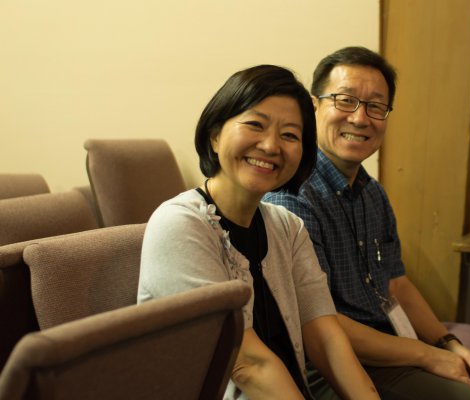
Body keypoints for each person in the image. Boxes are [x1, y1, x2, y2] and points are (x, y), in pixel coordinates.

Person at [264, 47, 470, 400]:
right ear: (314, 107)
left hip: (392, 349)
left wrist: (449, 343)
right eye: (345, 100)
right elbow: (319, 323)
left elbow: (396, 284)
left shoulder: (371, 193)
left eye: (376, 106)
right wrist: (428, 355)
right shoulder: (291, 198)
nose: (360, 118)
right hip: (334, 365)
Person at [137, 64, 379, 400]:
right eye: (255, 125)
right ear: (215, 135)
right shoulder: (180, 224)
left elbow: (325, 337)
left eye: (290, 135)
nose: (270, 146)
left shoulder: (288, 227)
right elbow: (247, 365)